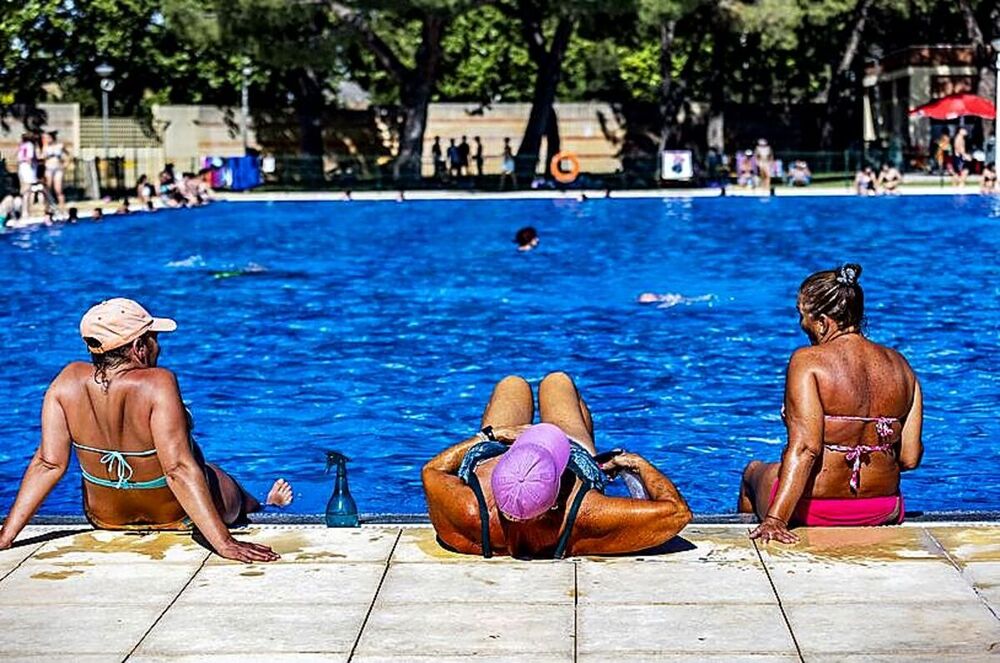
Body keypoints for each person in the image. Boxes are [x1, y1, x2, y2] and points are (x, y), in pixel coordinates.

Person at [0, 298, 292, 562]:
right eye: (153, 338)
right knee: (217, 477)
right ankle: (265, 505)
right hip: (176, 516)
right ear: (139, 347)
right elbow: (177, 469)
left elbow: (48, 463)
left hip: (106, 518)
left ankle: (260, 503)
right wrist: (224, 543)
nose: (159, 346)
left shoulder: (66, 381)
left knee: (198, 468)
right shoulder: (157, 382)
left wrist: (5, 536)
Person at [738, 264, 923, 543]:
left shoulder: (808, 362)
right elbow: (909, 458)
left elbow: (805, 449)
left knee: (752, 471)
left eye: (803, 318)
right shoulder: (902, 366)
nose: (803, 326)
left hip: (814, 509)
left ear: (823, 322)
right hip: (883, 507)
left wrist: (776, 520)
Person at [422, 372, 691, 558]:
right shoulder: (584, 515)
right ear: (554, 502)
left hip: (491, 451)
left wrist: (492, 436)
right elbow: (677, 513)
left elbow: (432, 470)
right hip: (535, 461)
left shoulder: (468, 513)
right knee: (558, 383)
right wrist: (638, 463)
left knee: (511, 385)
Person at [41, 130, 68, 209]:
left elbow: (67, 155)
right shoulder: (45, 147)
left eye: (48, 138)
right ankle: (48, 205)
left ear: (52, 138)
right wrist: (44, 146)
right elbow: (43, 157)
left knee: (58, 189)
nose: (47, 139)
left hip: (58, 169)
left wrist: (65, 164)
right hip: (49, 169)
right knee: (48, 188)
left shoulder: (60, 146)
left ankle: (62, 205)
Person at [16, 133, 37, 210]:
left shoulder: (22, 145)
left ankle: (23, 209)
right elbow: (29, 158)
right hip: (27, 168)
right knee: (28, 190)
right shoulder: (30, 145)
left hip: (21, 166)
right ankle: (27, 210)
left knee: (23, 189)